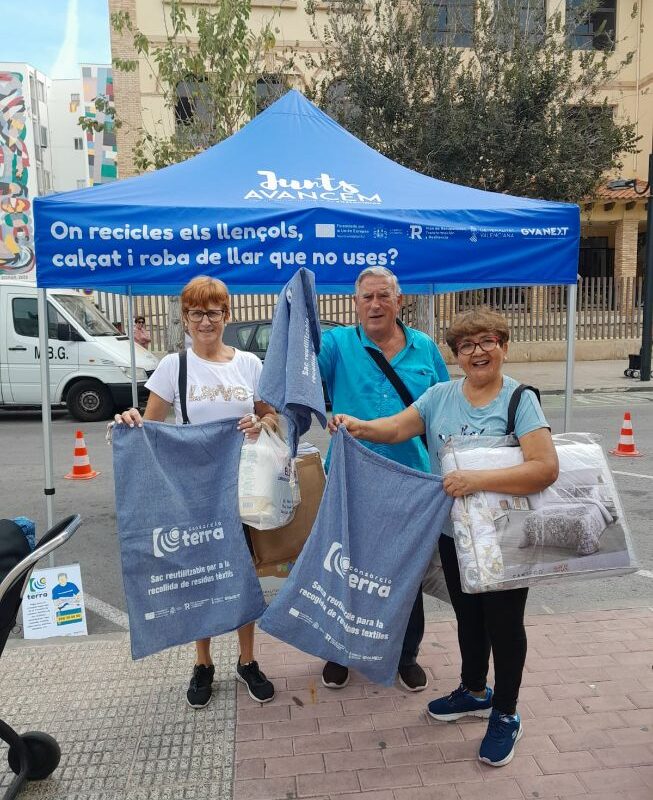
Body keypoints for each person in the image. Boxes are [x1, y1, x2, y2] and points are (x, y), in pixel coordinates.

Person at [330, 307, 559, 767]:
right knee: (468, 619)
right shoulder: (440, 396)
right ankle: (474, 689)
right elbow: (397, 427)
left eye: (487, 342)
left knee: (504, 627)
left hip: (502, 539)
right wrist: (355, 424)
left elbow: (544, 468)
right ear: (456, 355)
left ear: (503, 346)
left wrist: (475, 479)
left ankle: (506, 713)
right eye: (467, 346)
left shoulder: (519, 400)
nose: (477, 352)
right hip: (454, 535)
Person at [115, 276, 278, 708]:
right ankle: (203, 662)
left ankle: (247, 660)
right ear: (185, 319)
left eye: (213, 312)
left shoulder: (250, 365)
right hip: (193, 493)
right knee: (200, 574)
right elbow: (151, 430)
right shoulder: (174, 366)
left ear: (227, 315)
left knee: (242, 571)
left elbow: (274, 419)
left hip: (243, 488)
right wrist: (131, 420)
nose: (205, 321)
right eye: (195, 313)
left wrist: (261, 423)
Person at [317, 266, 449, 693]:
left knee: (404, 573)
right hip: (349, 479)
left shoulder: (425, 348)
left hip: (411, 481)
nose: (375, 305)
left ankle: (405, 655)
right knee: (344, 567)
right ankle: (339, 651)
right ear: (355, 304)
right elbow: (299, 378)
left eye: (383, 297)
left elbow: (444, 411)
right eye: (367, 298)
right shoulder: (336, 344)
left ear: (399, 300)